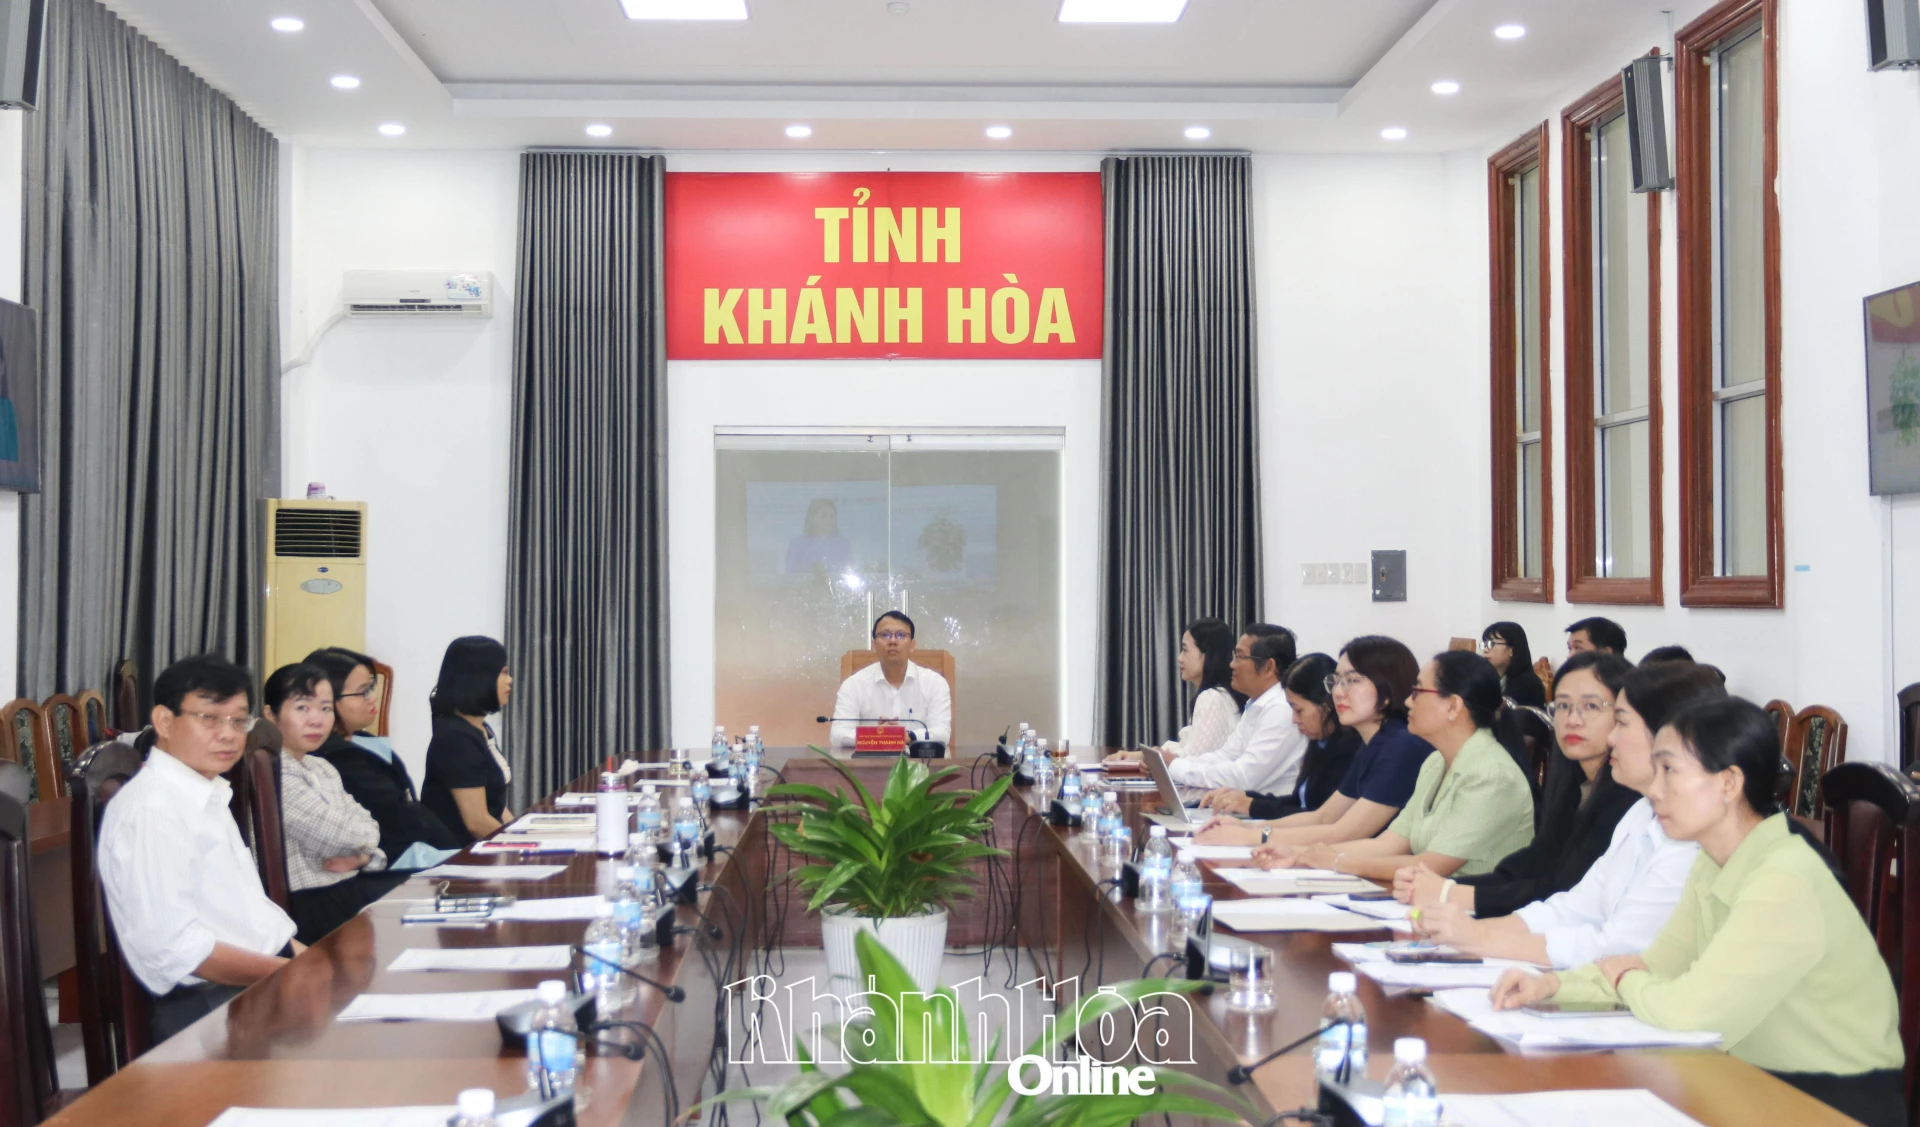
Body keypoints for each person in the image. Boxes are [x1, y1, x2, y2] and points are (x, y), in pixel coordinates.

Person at [1490, 698, 1906, 1127]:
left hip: (1828, 1103)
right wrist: (1553, 984)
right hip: (1743, 1080)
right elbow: (1659, 964)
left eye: (1669, 770)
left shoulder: (1786, 877)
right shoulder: (1713, 861)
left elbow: (1690, 1010)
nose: (1654, 789)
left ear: (1728, 783)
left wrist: (1627, 979)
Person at [1405, 661, 1721, 966]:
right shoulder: (1641, 812)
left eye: (1620, 721)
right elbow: (1571, 908)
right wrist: (1467, 930)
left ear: (1667, 733)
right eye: (1563, 706)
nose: (1612, 738)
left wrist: (1478, 934)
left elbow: (1616, 948)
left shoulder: (1692, 839)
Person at [98, 655, 300, 1043]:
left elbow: (253, 920)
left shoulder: (203, 793)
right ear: (163, 721)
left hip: (252, 982)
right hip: (211, 1011)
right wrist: (291, 974)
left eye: (238, 720)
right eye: (209, 718)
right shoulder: (154, 809)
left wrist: (311, 963)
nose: (228, 734)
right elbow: (179, 951)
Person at [1395, 652, 1637, 922]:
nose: (1573, 719)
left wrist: (1454, 894)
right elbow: (1536, 860)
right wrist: (1451, 888)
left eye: (1591, 706)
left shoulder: (1631, 799)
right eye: (1563, 706)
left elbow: (1565, 888)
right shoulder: (1573, 787)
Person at [1253, 651, 1533, 879]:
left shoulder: (1490, 775)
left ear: (1453, 706)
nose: (1409, 701)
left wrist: (1335, 861)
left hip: (1475, 917)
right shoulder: (1436, 762)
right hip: (1429, 905)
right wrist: (1302, 854)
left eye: (1418, 691)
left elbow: (1430, 866)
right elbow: (1389, 844)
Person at [1193, 636, 1431, 847]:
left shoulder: (1401, 745)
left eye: (1353, 680)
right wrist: (1248, 828)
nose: (1338, 692)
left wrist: (1254, 837)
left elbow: (1343, 833)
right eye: (1337, 681)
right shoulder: (1375, 743)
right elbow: (1323, 817)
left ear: (1387, 690)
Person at [265, 663, 410, 945]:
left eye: (326, 708)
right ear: (271, 715)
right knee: (424, 893)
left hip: (346, 887)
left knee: (428, 885)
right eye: (302, 708)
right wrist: (364, 849)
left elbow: (369, 824)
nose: (317, 720)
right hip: (310, 903)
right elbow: (340, 836)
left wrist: (366, 857)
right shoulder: (275, 771)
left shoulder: (322, 768)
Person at [306, 647, 463, 866]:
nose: (372, 698)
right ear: (328, 700)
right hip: (391, 857)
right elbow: (396, 816)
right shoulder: (336, 757)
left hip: (415, 846)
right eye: (362, 692)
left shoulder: (362, 740)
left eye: (371, 688)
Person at [1193, 654, 1355, 819]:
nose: (1294, 720)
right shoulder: (1319, 744)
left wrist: (1252, 807)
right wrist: (1244, 797)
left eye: (1298, 710)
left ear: (1326, 704)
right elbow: (1298, 802)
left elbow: (1320, 817)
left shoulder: (1350, 751)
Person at [1157, 625, 1306, 793]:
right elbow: (1226, 756)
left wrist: (1176, 766)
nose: (1232, 664)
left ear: (1268, 667)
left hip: (1267, 814)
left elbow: (1243, 777)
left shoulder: (1281, 709)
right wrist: (1175, 762)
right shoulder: (1256, 705)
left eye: (1240, 657)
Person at [1105, 618, 1242, 765]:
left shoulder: (1211, 698)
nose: (1179, 658)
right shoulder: (1220, 695)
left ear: (1206, 654)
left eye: (1185, 650)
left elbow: (1193, 759)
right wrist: (1140, 756)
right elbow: (1186, 749)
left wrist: (1153, 757)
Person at [422, 636, 517, 844]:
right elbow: (476, 822)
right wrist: (520, 847)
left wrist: (522, 835)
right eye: (503, 673)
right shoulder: (456, 738)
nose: (509, 680)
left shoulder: (478, 728)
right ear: (479, 679)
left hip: (482, 848)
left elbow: (497, 808)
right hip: (456, 855)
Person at [829, 611, 953, 749]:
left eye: (901, 635)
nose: (893, 641)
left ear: (912, 645)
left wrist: (906, 736)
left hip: (919, 767)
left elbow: (942, 733)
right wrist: (875, 735)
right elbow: (837, 735)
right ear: (874, 645)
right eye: (885, 635)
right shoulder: (853, 685)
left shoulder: (934, 683)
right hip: (867, 767)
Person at [1481, 621, 1546, 708]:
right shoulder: (1490, 678)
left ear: (1512, 650)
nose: (1485, 649)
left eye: (1491, 644)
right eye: (1485, 644)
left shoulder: (1527, 684)